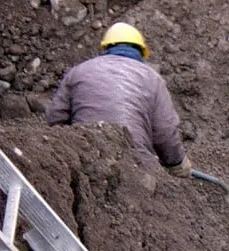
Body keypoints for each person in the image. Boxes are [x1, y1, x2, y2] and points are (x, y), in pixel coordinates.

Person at [46, 22, 192, 176]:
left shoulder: (79, 71)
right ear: (141, 52)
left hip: (84, 159)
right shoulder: (153, 79)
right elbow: (165, 131)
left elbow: (56, 118)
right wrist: (177, 163)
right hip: (136, 167)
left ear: (106, 48)